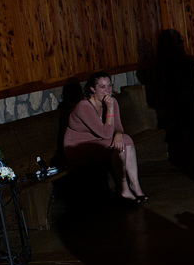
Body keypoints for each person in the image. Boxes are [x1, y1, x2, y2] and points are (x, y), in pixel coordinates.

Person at [63, 72, 147, 204]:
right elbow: (106, 134)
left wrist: (119, 134)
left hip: (99, 141)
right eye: (102, 86)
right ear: (93, 89)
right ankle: (123, 188)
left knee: (126, 140)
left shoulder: (112, 101)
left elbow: (118, 126)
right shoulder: (84, 107)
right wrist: (110, 109)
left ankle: (135, 185)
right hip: (78, 147)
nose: (107, 90)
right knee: (119, 144)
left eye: (109, 86)